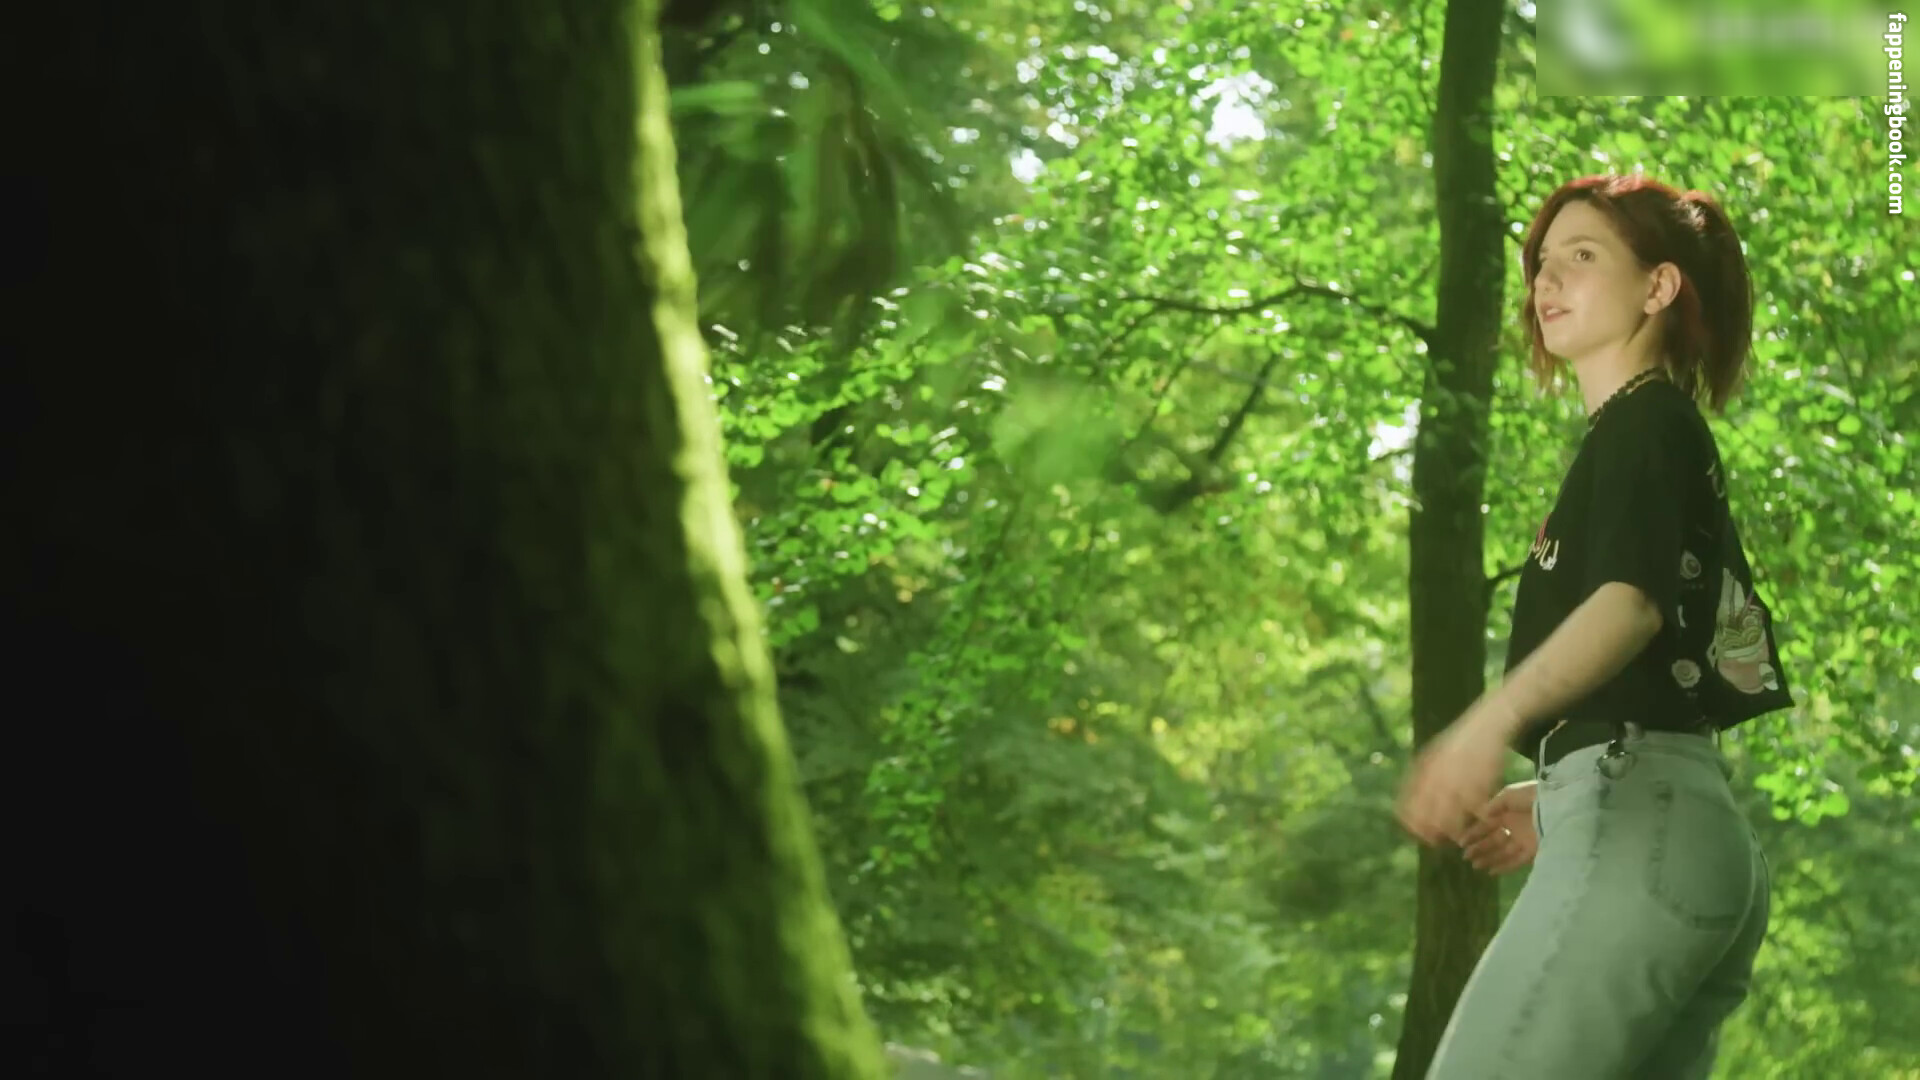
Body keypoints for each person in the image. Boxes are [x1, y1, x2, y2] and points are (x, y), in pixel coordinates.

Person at [1394, 174, 1796, 1079]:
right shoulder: (1644, 434)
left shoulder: (1645, 423)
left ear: (1659, 287)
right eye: (1541, 262)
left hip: (1640, 827)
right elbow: (1666, 663)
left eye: (1582, 255)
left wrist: (1486, 726)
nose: (1547, 280)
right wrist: (1556, 788)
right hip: (1679, 831)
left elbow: (1629, 606)